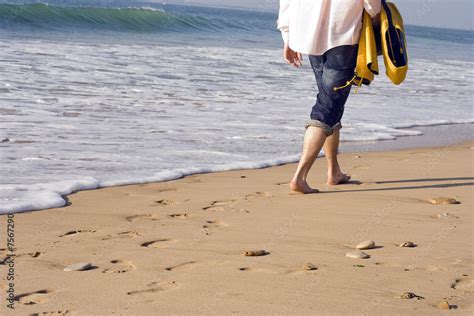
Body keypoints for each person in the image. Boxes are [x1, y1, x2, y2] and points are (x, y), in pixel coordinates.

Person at [277, 0, 381, 194]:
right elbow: (372, 6)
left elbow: (287, 3)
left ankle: (334, 171)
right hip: (343, 37)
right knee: (327, 107)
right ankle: (299, 177)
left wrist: (288, 37)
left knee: (331, 103)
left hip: (308, 36)